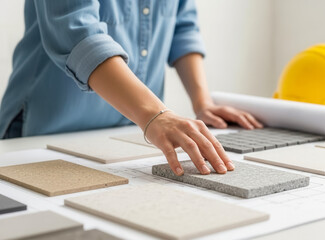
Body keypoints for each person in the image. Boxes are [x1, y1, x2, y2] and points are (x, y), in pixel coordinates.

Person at [0, 0, 263, 176]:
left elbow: (183, 26)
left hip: (128, 131)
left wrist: (202, 102)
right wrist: (155, 114)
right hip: (45, 127)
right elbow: (76, 31)